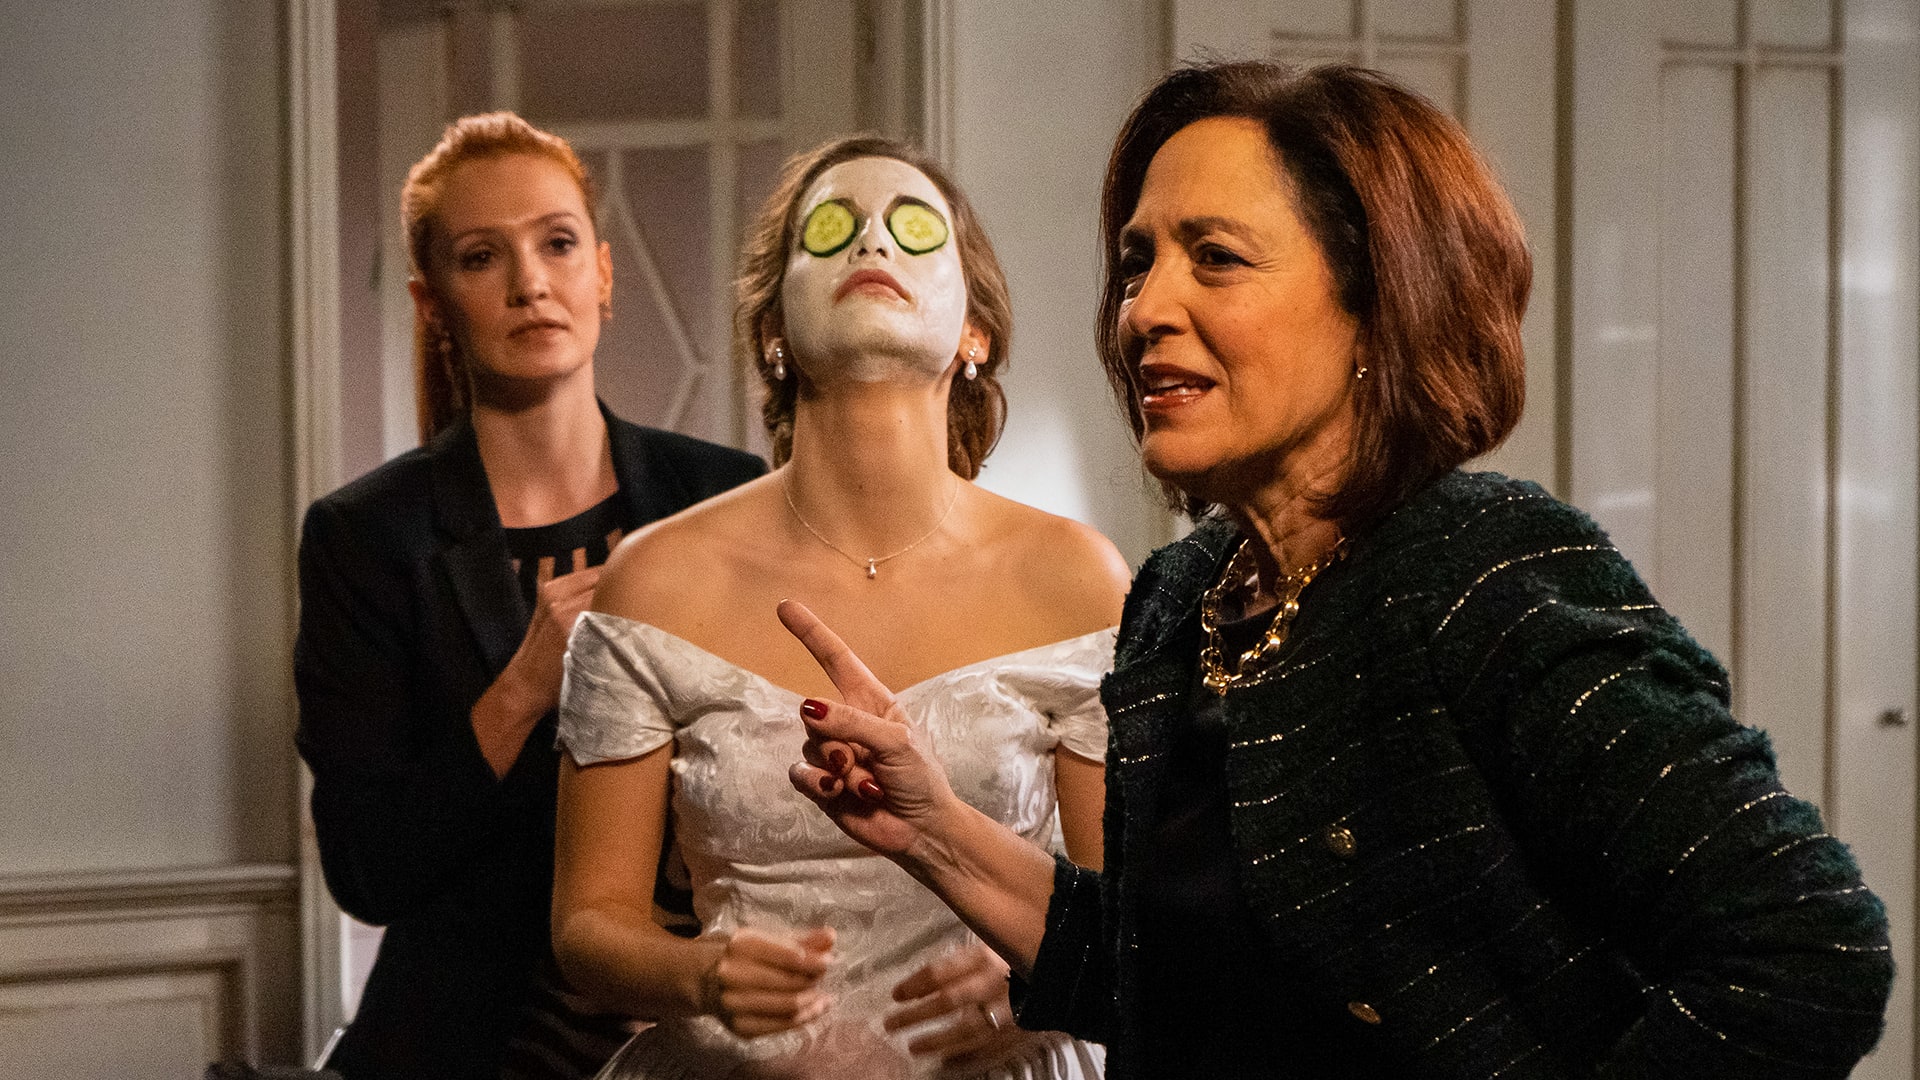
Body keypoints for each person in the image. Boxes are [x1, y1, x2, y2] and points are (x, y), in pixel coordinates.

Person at [782, 62, 1894, 1079]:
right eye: (1137, 263)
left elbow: (1808, 945)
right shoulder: (1183, 597)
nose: (1145, 310)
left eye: (1216, 258)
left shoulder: (1482, 569)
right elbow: (1168, 978)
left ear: (1378, 302)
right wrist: (932, 827)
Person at [549, 135, 1130, 1079]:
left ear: (975, 332)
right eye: (832, 228)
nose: (873, 244)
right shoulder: (655, 579)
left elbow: (1133, 916)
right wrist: (701, 975)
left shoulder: (1078, 578)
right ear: (772, 329)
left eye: (913, 228)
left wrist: (1039, 977)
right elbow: (588, 923)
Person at [294, 112, 765, 1080]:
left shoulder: (723, 495)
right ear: (432, 303)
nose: (529, 283)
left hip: (699, 1032)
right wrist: (522, 688)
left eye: (556, 243)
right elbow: (367, 870)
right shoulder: (366, 535)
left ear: (603, 273)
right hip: (466, 1050)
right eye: (482, 257)